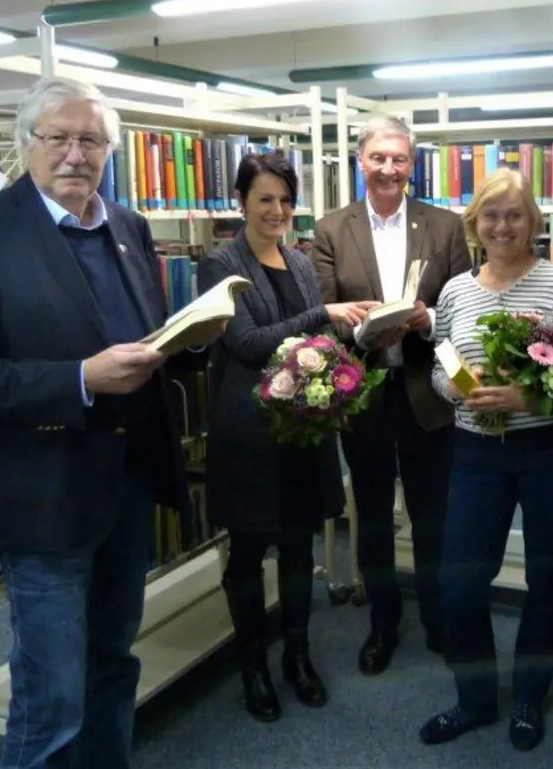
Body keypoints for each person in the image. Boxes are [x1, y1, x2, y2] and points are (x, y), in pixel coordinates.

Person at [0, 77, 192, 768]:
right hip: (44, 499)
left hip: (126, 489)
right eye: (59, 138)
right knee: (50, 697)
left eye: (92, 140)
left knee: (113, 665)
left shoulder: (129, 228)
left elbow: (145, 340)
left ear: (109, 151)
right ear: (26, 145)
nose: (76, 154)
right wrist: (81, 378)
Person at [419, 169, 553, 752]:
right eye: (491, 215)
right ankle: (473, 698)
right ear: (475, 223)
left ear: (535, 222)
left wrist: (532, 396)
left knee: (547, 577)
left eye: (515, 214)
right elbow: (440, 365)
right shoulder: (454, 292)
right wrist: (459, 391)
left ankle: (527, 696)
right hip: (474, 450)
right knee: (461, 584)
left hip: (550, 449)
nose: (503, 225)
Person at [195, 153, 378, 723]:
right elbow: (247, 344)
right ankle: (254, 667)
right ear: (242, 201)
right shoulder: (219, 263)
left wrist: (356, 328)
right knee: (248, 552)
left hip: (303, 426)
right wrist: (322, 312)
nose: (276, 210)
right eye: (264, 199)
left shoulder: (297, 261)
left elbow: (314, 337)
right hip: (249, 433)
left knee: (299, 548)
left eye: (285, 200)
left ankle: (297, 658)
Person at [312, 116, 471, 675]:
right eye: (378, 157)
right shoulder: (331, 230)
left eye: (399, 158)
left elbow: (465, 311)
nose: (388, 168)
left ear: (412, 164)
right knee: (374, 518)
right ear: (361, 161)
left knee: (434, 519)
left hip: (428, 395)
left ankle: (436, 619)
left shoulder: (446, 227)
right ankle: (382, 623)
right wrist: (362, 331)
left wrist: (427, 322)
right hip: (366, 397)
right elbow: (323, 318)